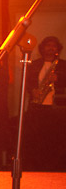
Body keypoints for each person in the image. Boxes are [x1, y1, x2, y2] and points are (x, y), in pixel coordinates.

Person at [23, 35, 66, 170]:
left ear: (57, 49)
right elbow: (27, 82)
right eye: (48, 45)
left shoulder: (63, 65)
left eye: (53, 46)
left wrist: (59, 79)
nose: (50, 48)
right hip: (37, 106)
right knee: (36, 137)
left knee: (54, 138)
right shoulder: (34, 64)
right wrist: (32, 90)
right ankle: (37, 166)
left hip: (56, 107)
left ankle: (54, 167)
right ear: (42, 48)